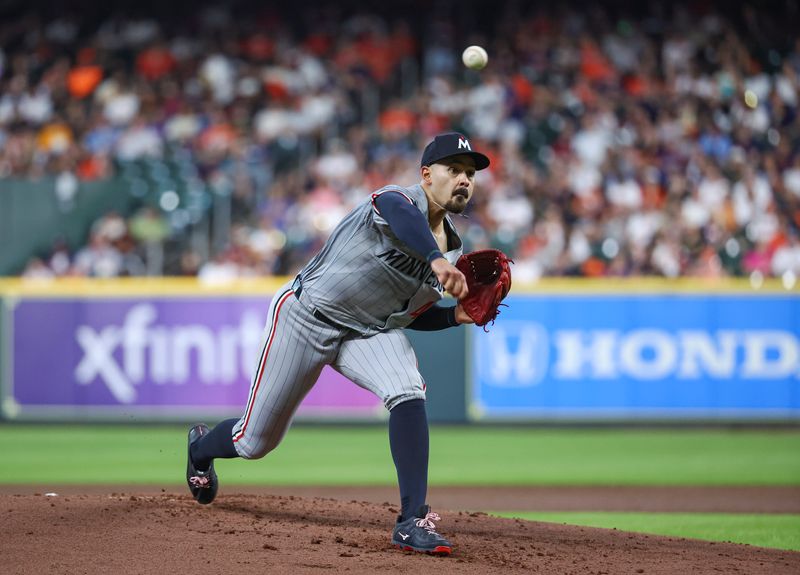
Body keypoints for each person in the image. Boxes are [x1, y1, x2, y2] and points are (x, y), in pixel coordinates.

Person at [185, 132, 490, 556]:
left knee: (407, 389)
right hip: (306, 317)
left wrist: (456, 316)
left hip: (366, 331)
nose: (464, 180)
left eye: (470, 174)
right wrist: (434, 260)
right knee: (254, 443)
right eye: (453, 170)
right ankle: (201, 447)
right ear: (426, 175)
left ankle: (411, 520)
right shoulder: (398, 200)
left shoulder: (452, 252)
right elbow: (398, 214)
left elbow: (409, 315)